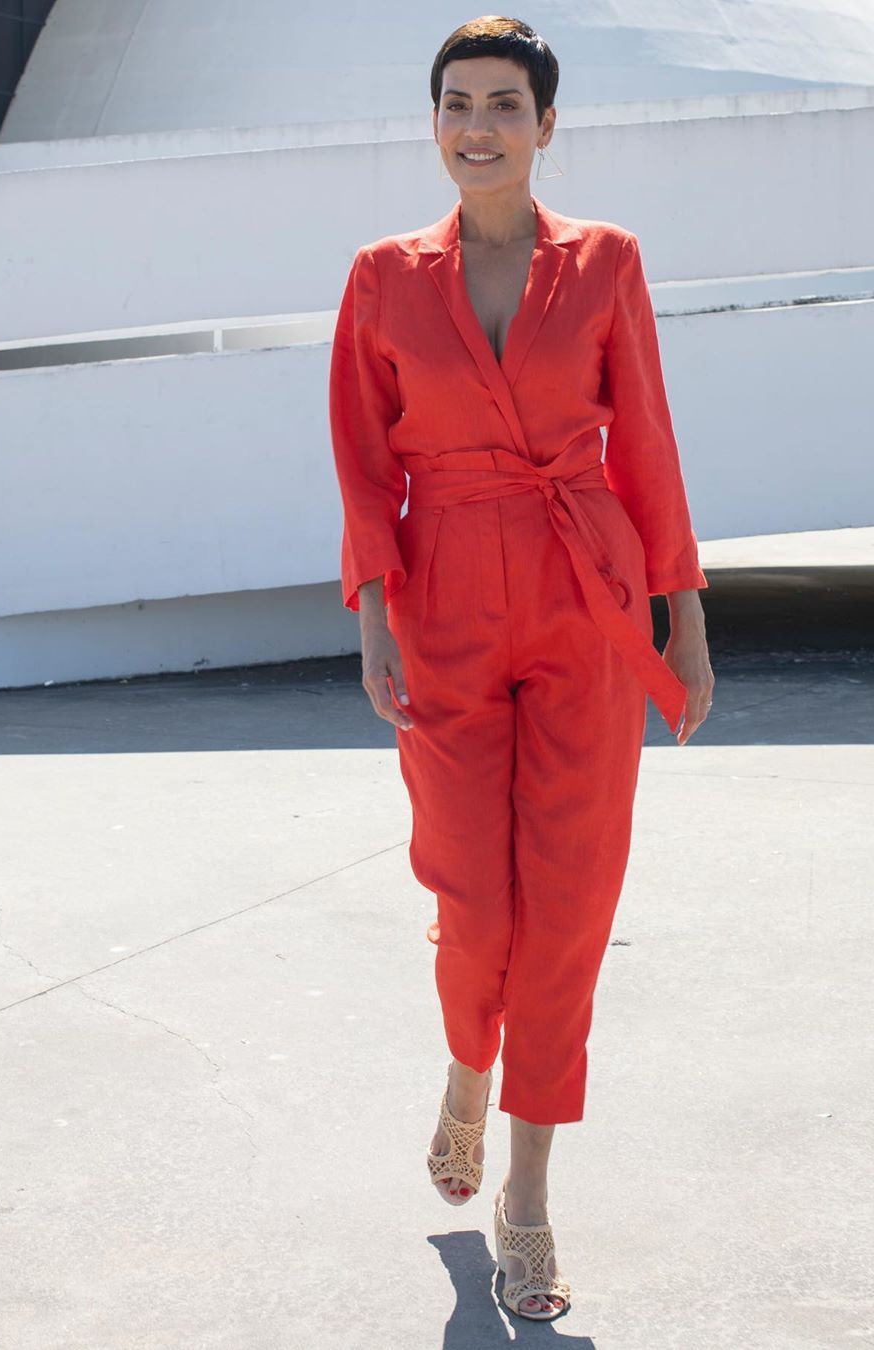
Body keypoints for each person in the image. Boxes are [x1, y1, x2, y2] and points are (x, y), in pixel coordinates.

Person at [327, 15, 715, 1323]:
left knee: (569, 897)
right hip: (441, 593)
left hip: (581, 591)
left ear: (547, 125)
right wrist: (373, 613)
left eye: (504, 104)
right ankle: (466, 1067)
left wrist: (683, 617)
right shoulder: (382, 276)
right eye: (457, 103)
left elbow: (646, 439)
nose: (478, 126)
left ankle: (530, 1193)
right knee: (470, 893)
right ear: (433, 122)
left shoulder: (606, 262)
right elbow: (363, 461)